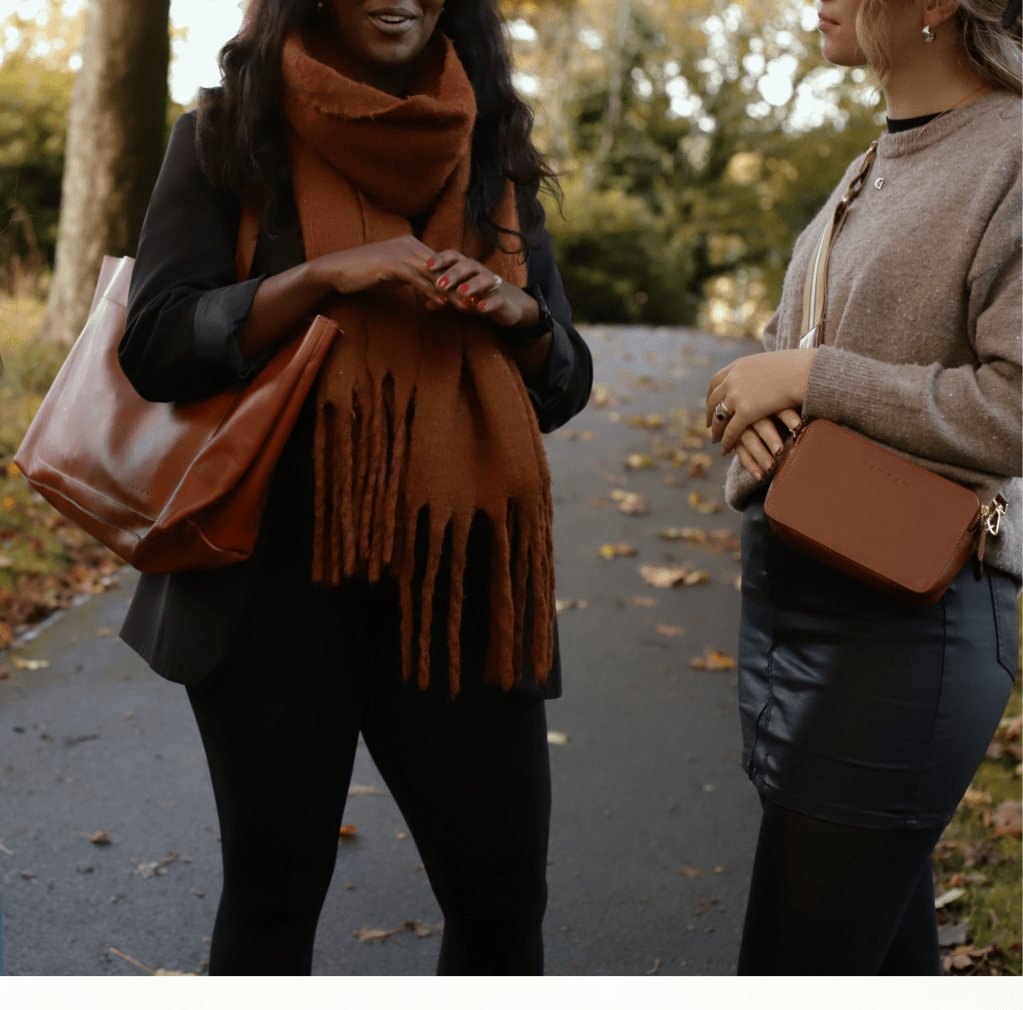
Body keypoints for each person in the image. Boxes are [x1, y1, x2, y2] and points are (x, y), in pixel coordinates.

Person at [117, 0, 591, 976]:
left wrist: (522, 317)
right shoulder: (225, 132)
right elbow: (159, 339)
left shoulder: (491, 142)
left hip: (460, 577)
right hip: (274, 577)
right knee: (274, 896)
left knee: (502, 897)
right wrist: (327, 277)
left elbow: (563, 381)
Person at [704, 0, 1021, 975]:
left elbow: (1012, 406)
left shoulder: (1011, 153)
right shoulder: (873, 160)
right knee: (879, 958)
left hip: (911, 624)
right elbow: (787, 351)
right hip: (801, 606)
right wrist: (751, 416)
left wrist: (809, 380)